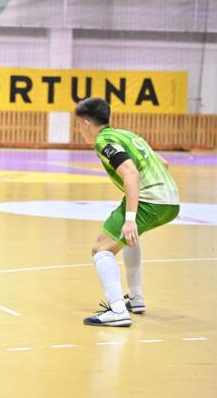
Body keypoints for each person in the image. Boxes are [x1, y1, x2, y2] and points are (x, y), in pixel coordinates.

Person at [75, 98, 180, 327]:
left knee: (101, 249)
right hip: (171, 200)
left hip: (150, 201)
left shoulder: (104, 141)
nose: (79, 129)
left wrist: (130, 218)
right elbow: (164, 163)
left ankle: (117, 310)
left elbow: (131, 173)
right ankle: (135, 298)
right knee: (129, 238)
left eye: (78, 124)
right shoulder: (127, 135)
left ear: (85, 123)